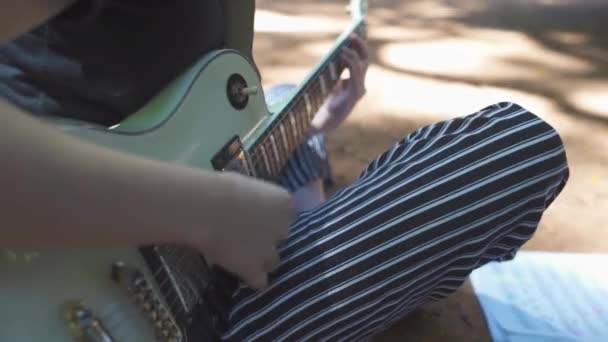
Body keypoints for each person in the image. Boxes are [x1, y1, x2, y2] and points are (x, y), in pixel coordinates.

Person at [0, 1, 569, 341]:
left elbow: (188, 110)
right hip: (113, 298)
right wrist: (209, 213)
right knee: (515, 151)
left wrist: (313, 126)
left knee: (273, 100)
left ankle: (310, 207)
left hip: (183, 236)